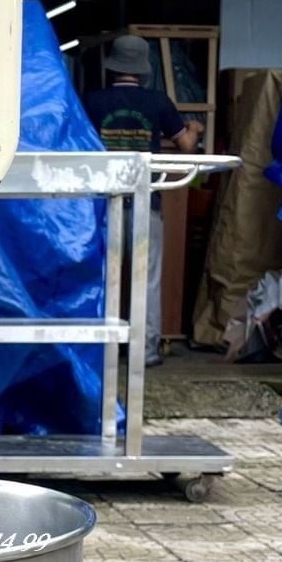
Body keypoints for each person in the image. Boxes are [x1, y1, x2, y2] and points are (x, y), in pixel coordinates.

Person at [83, 34, 203, 365]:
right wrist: (195, 128)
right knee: (146, 279)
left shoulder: (93, 102)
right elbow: (187, 147)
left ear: (112, 66)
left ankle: (102, 349)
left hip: (104, 203)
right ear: (142, 69)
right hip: (144, 202)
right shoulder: (157, 102)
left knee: (103, 276)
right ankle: (146, 351)